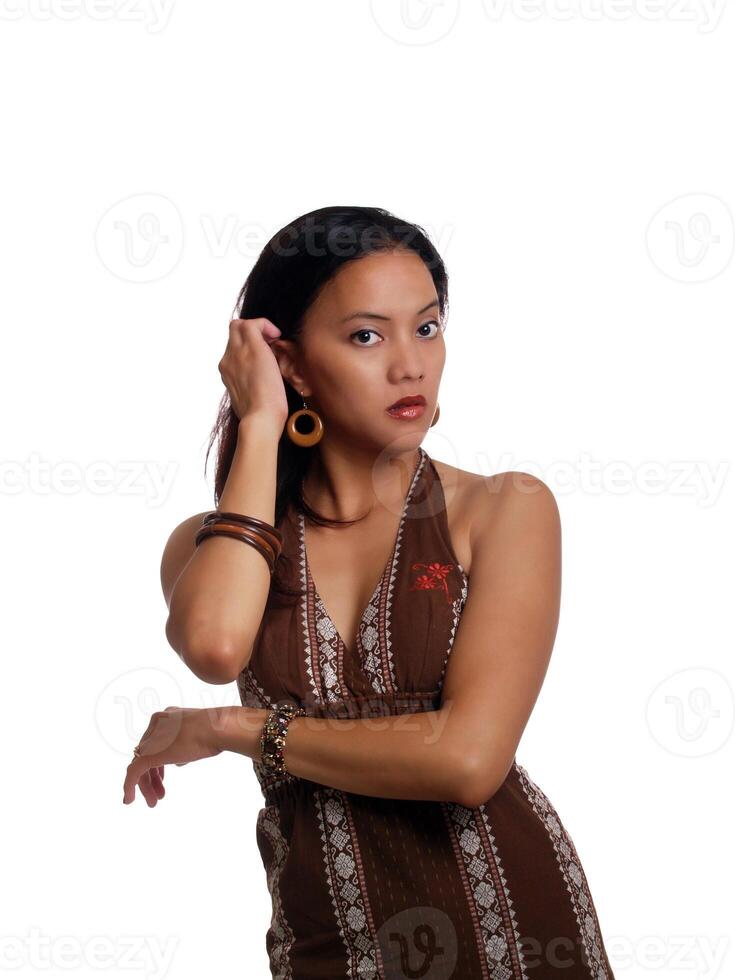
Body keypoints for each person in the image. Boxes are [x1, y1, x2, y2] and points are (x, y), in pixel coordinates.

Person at [123, 206, 616, 978]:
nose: (410, 365)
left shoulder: (503, 509)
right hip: (326, 941)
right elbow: (215, 648)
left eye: (426, 328)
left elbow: (467, 759)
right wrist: (259, 425)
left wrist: (232, 728)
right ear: (289, 361)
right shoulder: (209, 545)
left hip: (509, 933)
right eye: (365, 336)